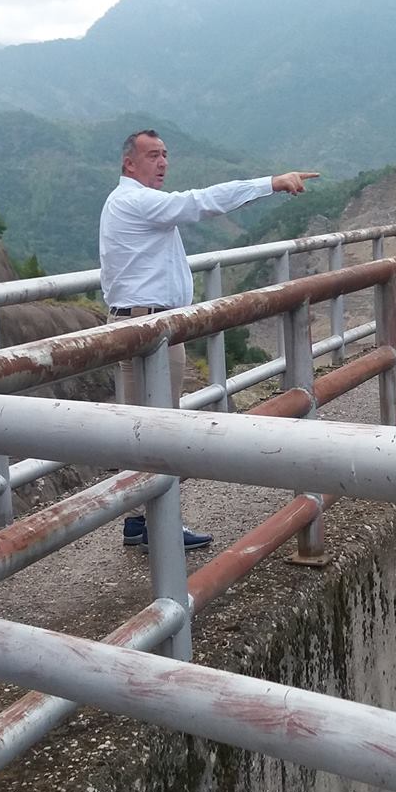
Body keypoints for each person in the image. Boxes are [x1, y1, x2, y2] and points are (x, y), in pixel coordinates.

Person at [99, 128, 318, 551]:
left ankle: (140, 521)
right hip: (148, 329)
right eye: (152, 155)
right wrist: (270, 184)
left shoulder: (129, 203)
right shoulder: (135, 201)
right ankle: (157, 525)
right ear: (129, 163)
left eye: (165, 154)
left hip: (144, 325)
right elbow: (199, 202)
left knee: (143, 428)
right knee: (158, 431)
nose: (163, 162)